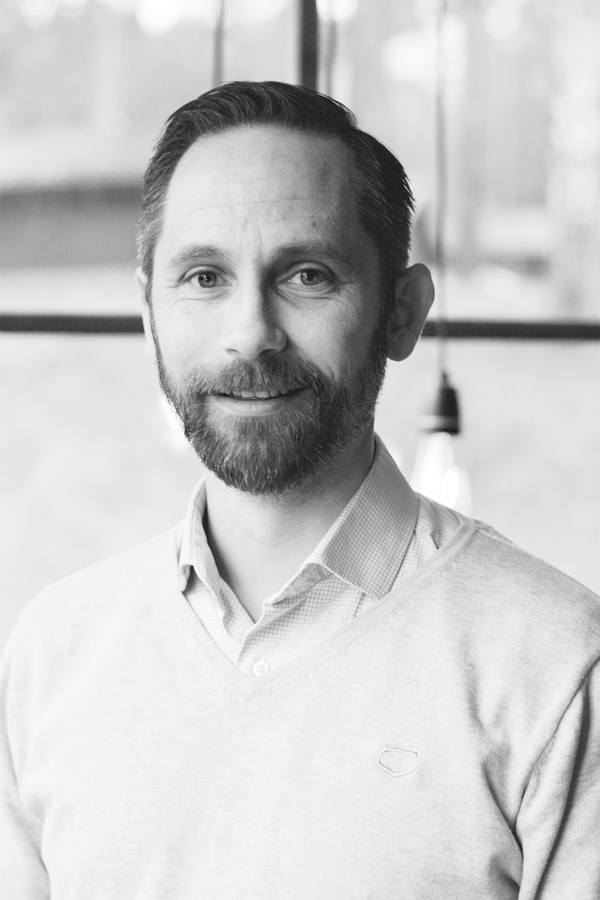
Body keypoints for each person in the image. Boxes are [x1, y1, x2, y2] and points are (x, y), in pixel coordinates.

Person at [1, 81, 598, 900]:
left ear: (402, 313)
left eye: (308, 275)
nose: (250, 333)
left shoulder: (555, 665)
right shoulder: (51, 653)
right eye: (204, 277)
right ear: (148, 312)